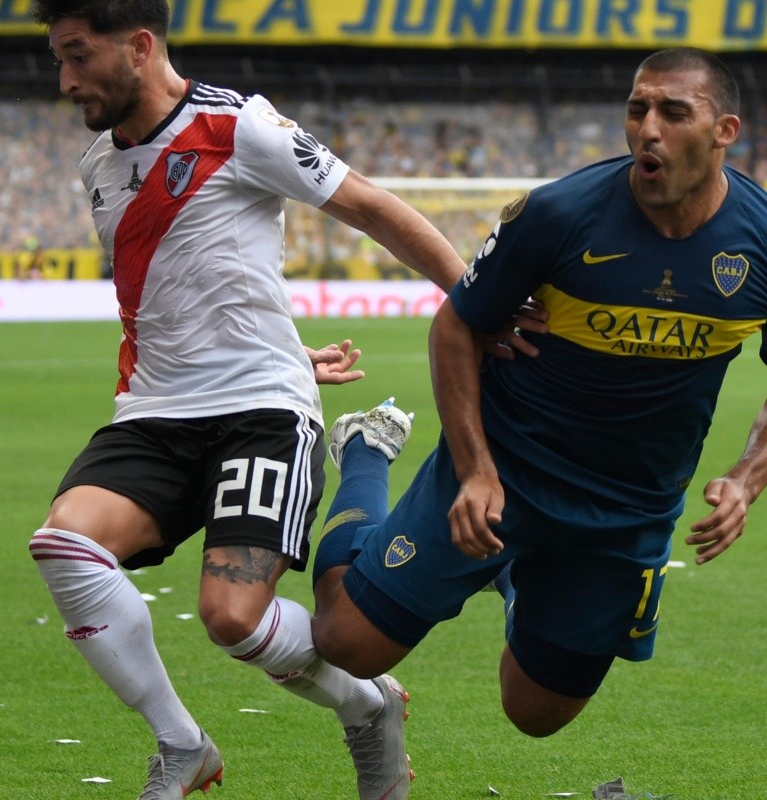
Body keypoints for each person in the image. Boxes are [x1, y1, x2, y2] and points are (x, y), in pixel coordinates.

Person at [26, 2, 546, 799]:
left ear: (138, 45)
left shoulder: (242, 130)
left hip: (259, 415)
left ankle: (365, 704)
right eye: (56, 58)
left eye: (76, 56)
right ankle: (181, 743)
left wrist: (477, 305)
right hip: (155, 411)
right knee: (63, 545)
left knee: (232, 619)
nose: (63, 80)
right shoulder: (100, 163)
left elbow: (376, 208)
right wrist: (282, 338)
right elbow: (176, 286)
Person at [310, 46, 767, 746]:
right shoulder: (559, 214)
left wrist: (745, 476)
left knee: (536, 714)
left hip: (627, 506)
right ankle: (366, 452)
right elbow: (456, 326)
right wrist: (476, 470)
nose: (649, 128)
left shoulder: (760, 240)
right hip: (506, 468)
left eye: (674, 112)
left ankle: (525, 572)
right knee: (346, 641)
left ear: (724, 130)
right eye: (637, 108)